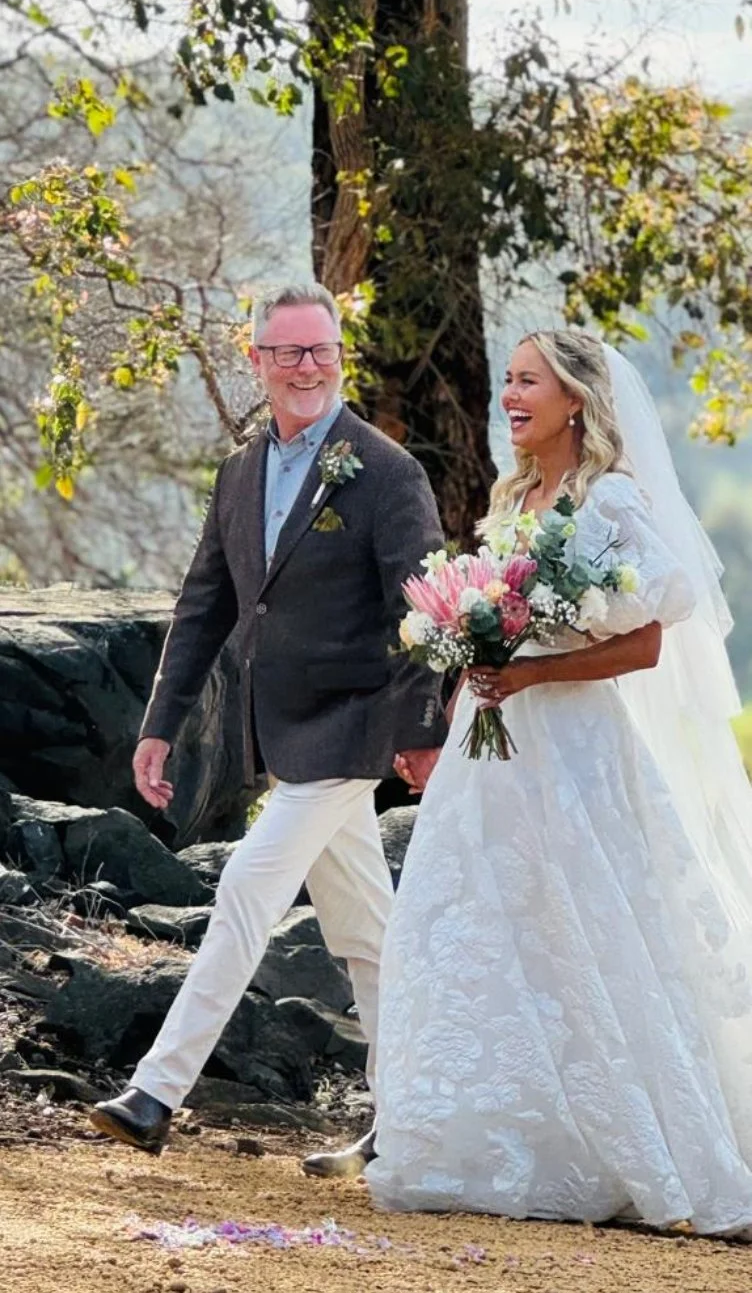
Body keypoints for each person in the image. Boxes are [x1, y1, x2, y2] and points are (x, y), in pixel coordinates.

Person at [368, 329, 752, 1238]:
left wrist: (532, 672)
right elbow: (497, 616)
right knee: (469, 920)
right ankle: (482, 1140)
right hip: (489, 749)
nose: (509, 393)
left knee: (591, 935)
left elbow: (649, 637)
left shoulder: (609, 497)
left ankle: (628, 1141)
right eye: (505, 377)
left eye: (527, 380)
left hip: (574, 749)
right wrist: (468, 661)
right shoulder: (514, 497)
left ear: (575, 398)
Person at [91, 282, 446, 1173]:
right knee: (370, 935)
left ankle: (155, 1091)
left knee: (248, 882)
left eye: (320, 349)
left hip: (351, 727)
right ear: (256, 362)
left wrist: (423, 730)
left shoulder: (387, 471)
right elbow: (204, 603)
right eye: (286, 351)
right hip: (278, 734)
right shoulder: (240, 470)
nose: (306, 366)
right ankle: (409, 1116)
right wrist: (158, 723)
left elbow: (425, 610)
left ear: (339, 354)